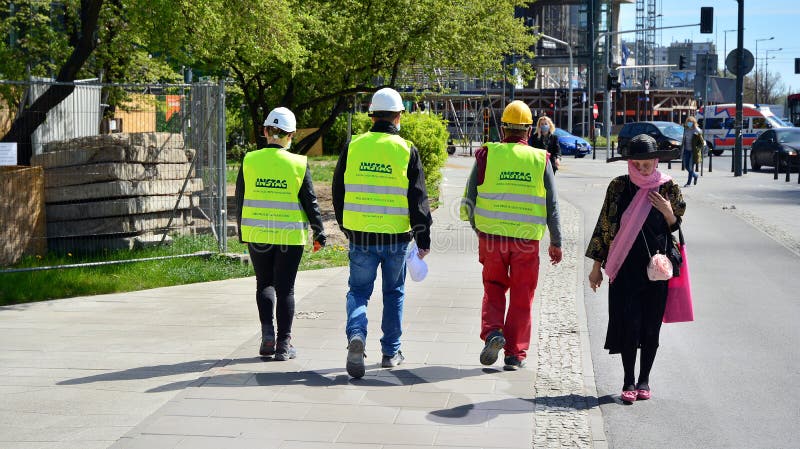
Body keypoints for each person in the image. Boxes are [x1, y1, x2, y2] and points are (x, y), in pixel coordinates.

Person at [332, 87, 433, 379]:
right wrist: (423, 237)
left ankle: (356, 334)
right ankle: (390, 352)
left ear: (372, 115)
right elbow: (418, 198)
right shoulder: (406, 150)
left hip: (361, 236)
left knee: (359, 292)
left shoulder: (353, 146)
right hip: (396, 239)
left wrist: (345, 225)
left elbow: (338, 190)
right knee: (394, 293)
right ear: (399, 116)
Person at [461, 100, 563, 371]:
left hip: (492, 238)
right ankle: (515, 354)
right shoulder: (540, 159)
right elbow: (551, 204)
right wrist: (556, 241)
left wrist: (478, 227)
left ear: (503, 128)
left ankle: (494, 332)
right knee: (521, 295)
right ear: (529, 130)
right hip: (526, 241)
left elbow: (470, 197)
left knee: (493, 288)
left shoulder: (487, 154)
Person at [586, 134, 686, 403]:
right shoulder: (618, 187)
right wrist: (596, 268)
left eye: (647, 164)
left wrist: (667, 211)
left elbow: (675, 226)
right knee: (629, 326)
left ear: (656, 161)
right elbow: (604, 227)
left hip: (657, 268)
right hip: (624, 267)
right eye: (637, 164)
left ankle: (645, 380)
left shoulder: (669, 188)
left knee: (651, 328)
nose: (642, 169)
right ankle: (628, 380)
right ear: (630, 163)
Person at [235, 107, 326, 361]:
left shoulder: (249, 160)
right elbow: (311, 202)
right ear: (292, 135)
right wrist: (320, 232)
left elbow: (240, 198)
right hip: (289, 236)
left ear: (265, 132)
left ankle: (267, 339)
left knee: (264, 283)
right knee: (285, 289)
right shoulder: (298, 163)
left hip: (257, 233)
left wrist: (242, 232)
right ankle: (284, 346)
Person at [681, 116, 704, 187]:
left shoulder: (697, 130)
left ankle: (688, 183)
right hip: (686, 150)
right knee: (686, 165)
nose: (689, 124)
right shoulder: (686, 129)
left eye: (690, 122)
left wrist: (697, 149)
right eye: (688, 122)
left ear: (694, 123)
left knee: (690, 167)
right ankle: (695, 175)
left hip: (692, 152)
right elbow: (684, 139)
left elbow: (702, 143)